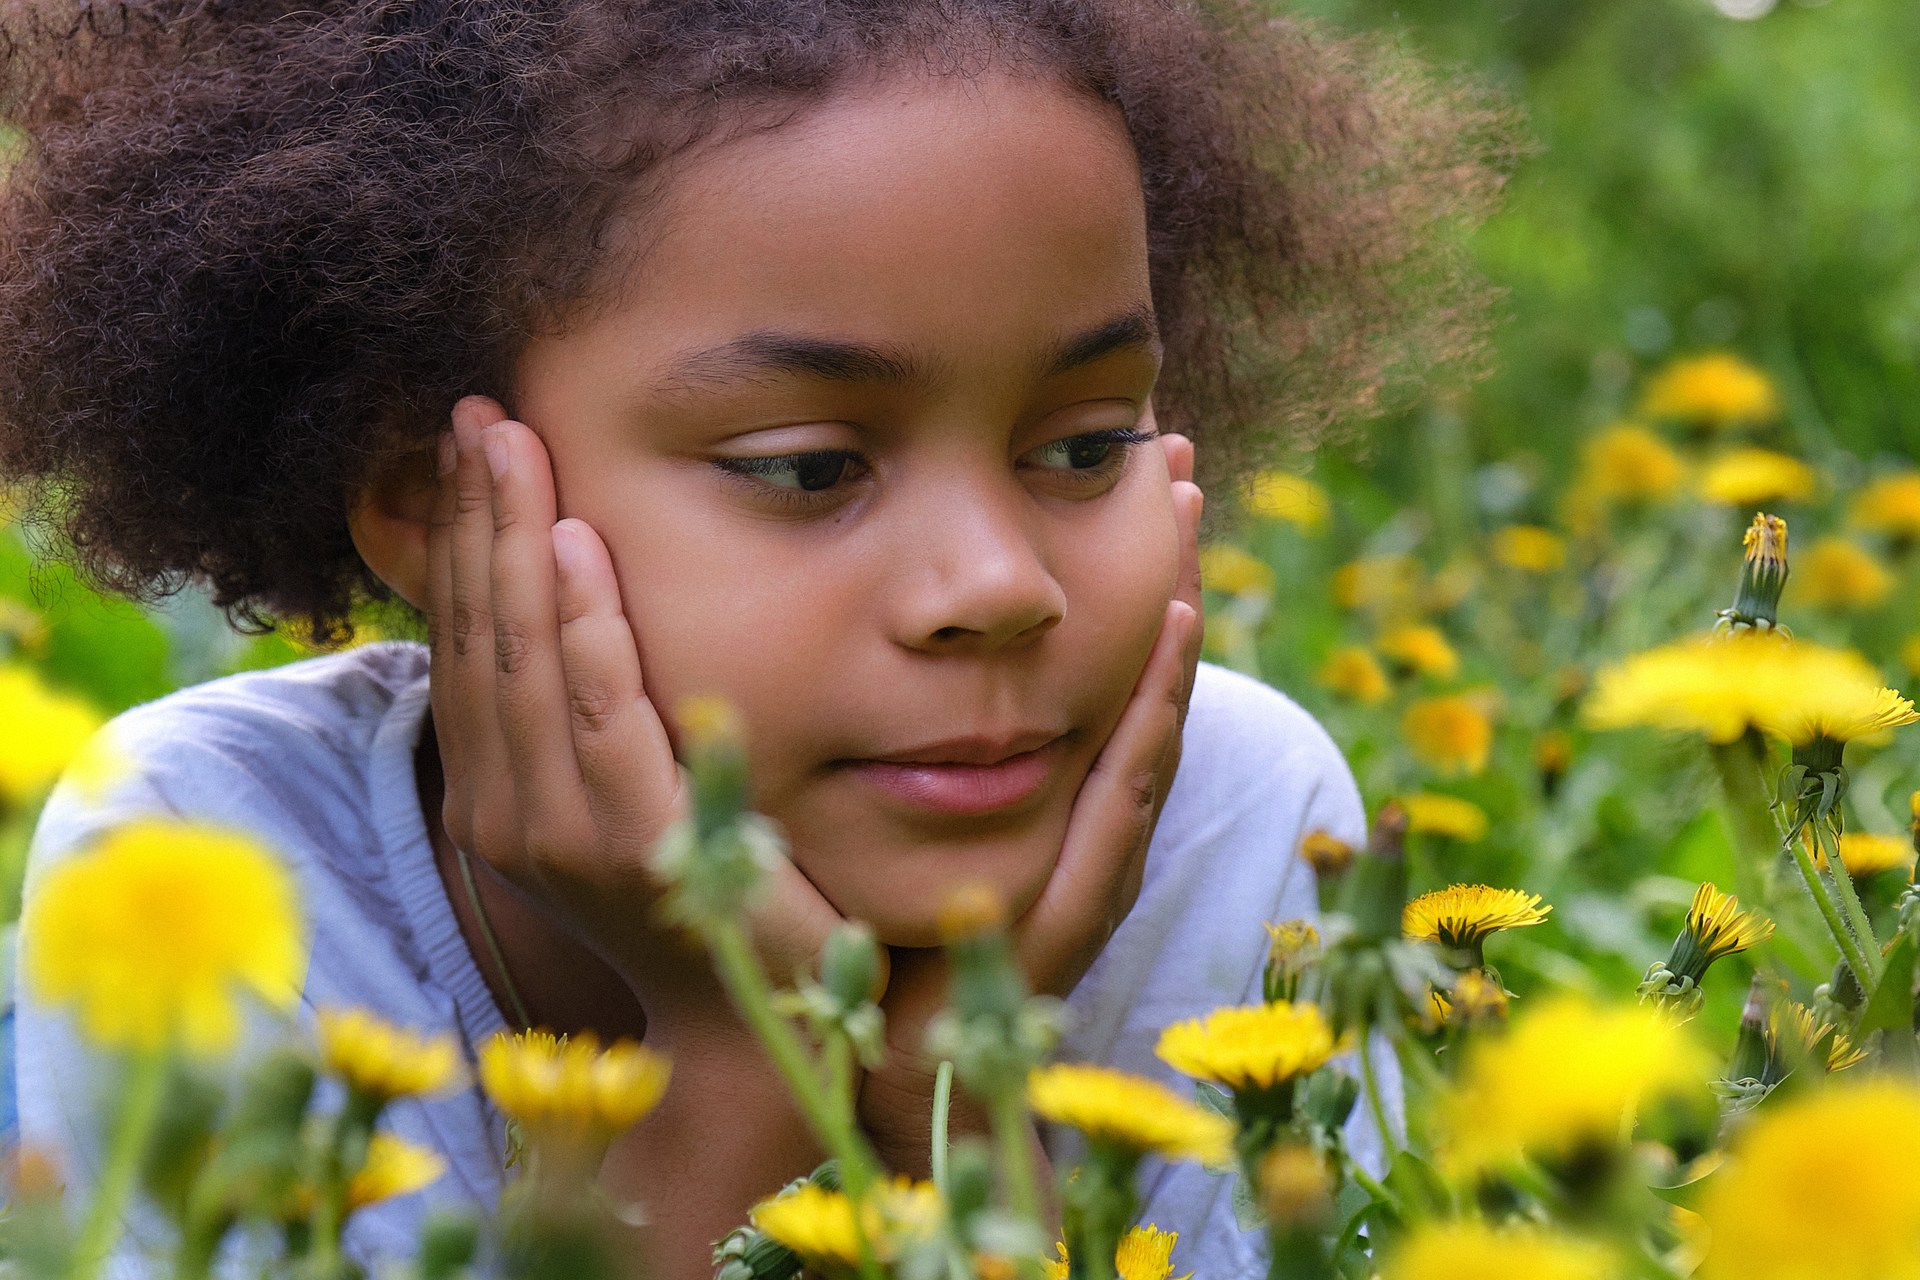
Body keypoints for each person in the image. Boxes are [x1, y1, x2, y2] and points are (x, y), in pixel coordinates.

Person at [0, 2, 1506, 1275]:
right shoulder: (206, 872)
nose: (996, 584)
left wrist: (948, 1107)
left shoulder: (1244, 832)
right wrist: (745, 1061)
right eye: (809, 468)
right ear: (428, 499)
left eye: (1085, 445)